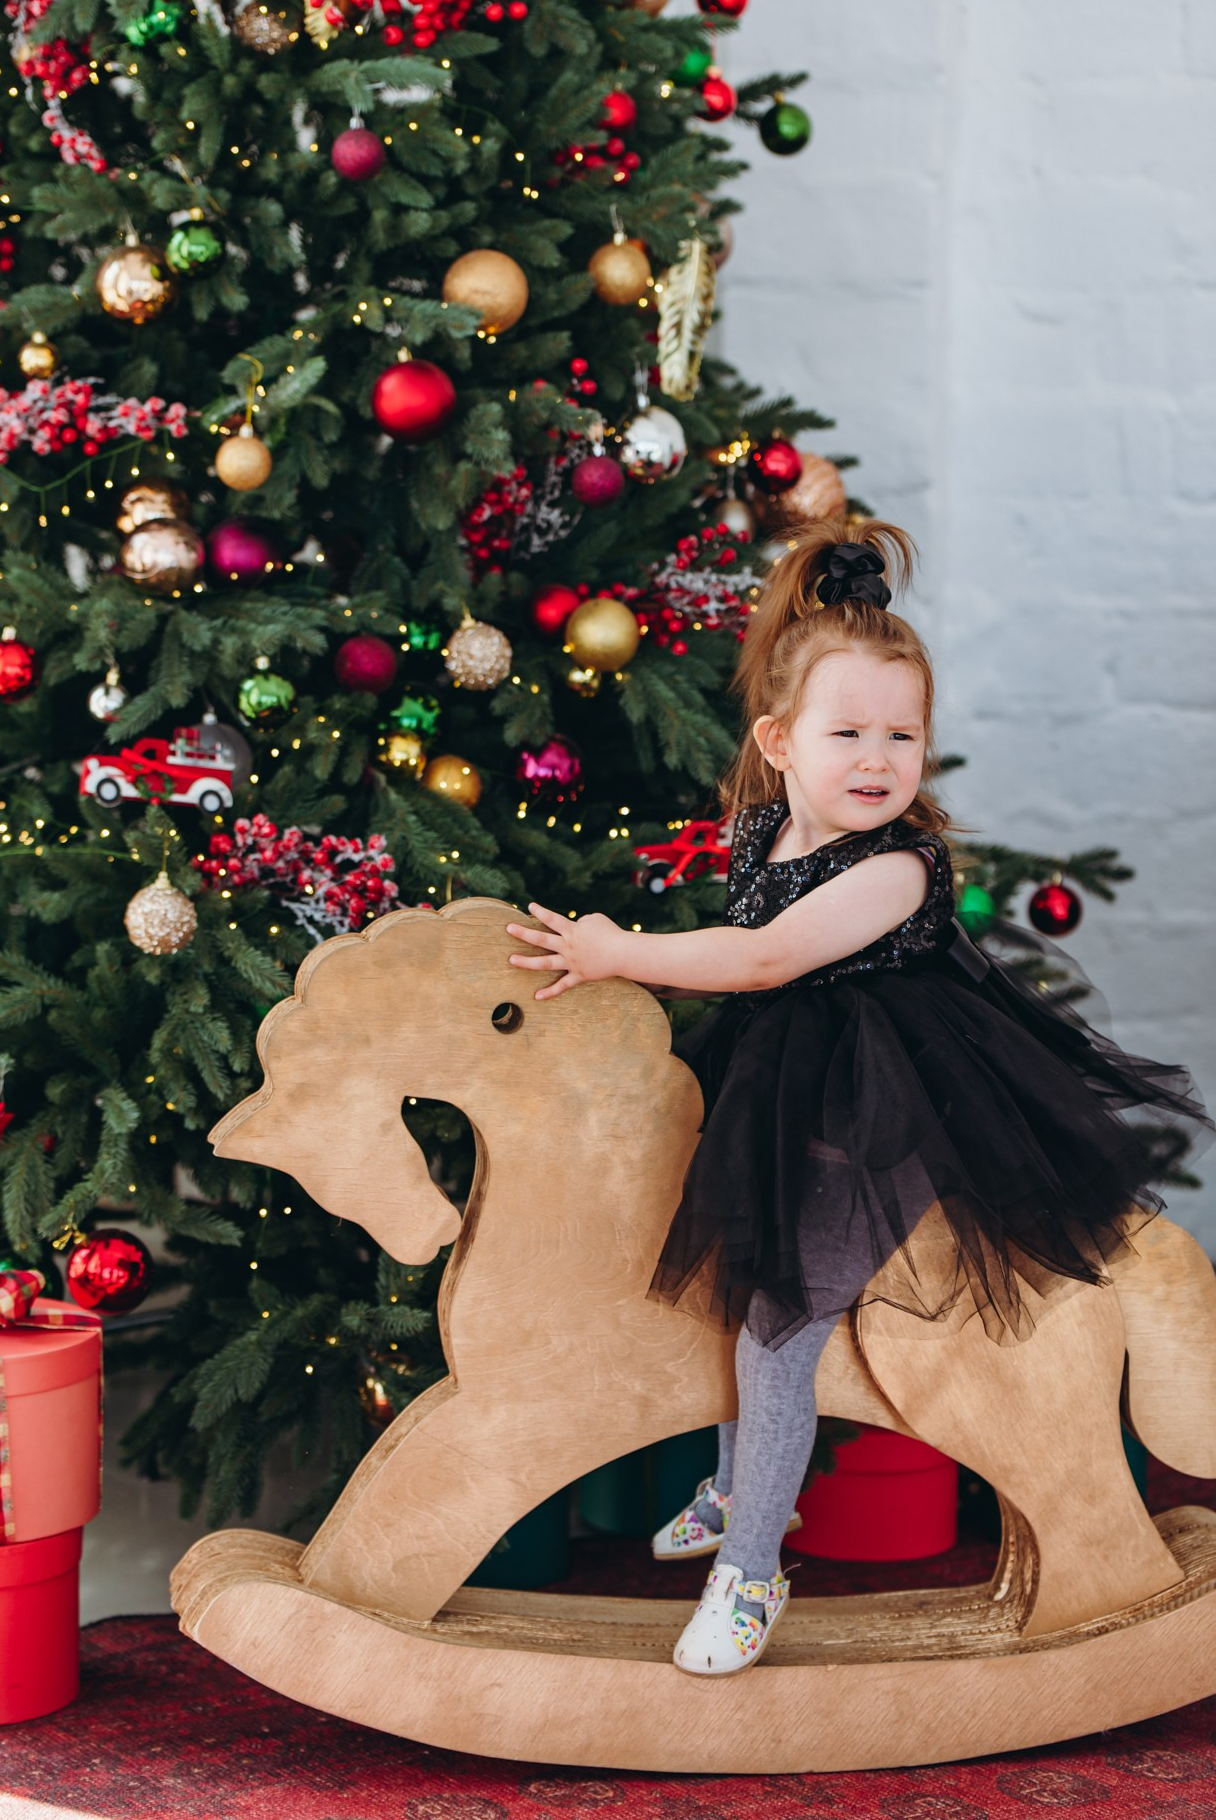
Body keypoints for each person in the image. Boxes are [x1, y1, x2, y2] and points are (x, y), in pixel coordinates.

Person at [505, 515, 1212, 1679]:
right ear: (779, 741)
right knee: (741, 1287)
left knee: (784, 1325)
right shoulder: (760, 829)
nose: (879, 758)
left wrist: (616, 948)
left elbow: (765, 959)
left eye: (904, 734)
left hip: (883, 1104)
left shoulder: (897, 867)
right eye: (849, 733)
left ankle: (751, 1574)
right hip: (783, 1086)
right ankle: (743, 1490)